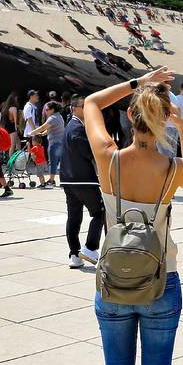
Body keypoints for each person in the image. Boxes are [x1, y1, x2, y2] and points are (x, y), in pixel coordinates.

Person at [82, 68, 183, 365]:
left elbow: (91, 103)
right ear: (162, 119)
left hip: (114, 283)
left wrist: (139, 82)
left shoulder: (109, 160)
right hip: (160, 280)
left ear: (130, 119)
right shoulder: (172, 170)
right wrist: (181, 130)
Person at [60, 95, 105, 269]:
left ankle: (74, 254)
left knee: (74, 218)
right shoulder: (77, 128)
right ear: (74, 109)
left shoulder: (71, 126)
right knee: (100, 212)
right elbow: (89, 152)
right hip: (83, 180)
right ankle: (90, 248)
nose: (87, 110)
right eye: (83, 106)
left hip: (69, 180)